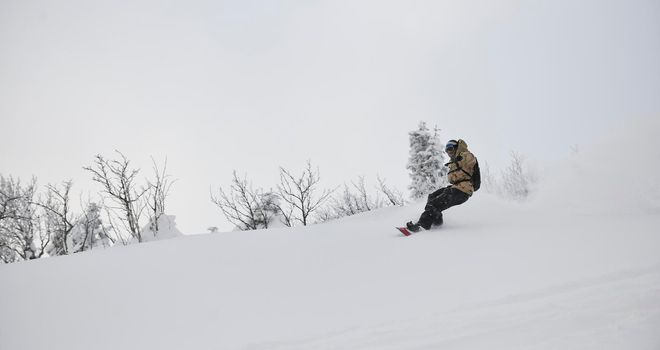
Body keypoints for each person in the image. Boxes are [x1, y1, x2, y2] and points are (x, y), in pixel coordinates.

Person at [406, 139, 477, 232]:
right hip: (456, 188)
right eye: (447, 150)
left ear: (457, 148)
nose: (448, 152)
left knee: (434, 204)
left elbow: (470, 161)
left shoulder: (466, 155)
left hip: (463, 190)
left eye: (450, 149)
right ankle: (437, 222)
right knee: (432, 197)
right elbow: (452, 179)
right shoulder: (454, 161)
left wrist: (461, 157)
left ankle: (422, 225)